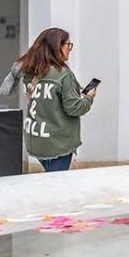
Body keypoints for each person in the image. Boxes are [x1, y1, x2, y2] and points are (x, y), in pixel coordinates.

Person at [16, 28, 95, 172]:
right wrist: (89, 98)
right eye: (68, 45)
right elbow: (74, 108)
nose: (70, 49)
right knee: (56, 182)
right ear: (57, 47)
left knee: (50, 178)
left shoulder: (31, 71)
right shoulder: (63, 74)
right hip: (57, 143)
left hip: (36, 139)